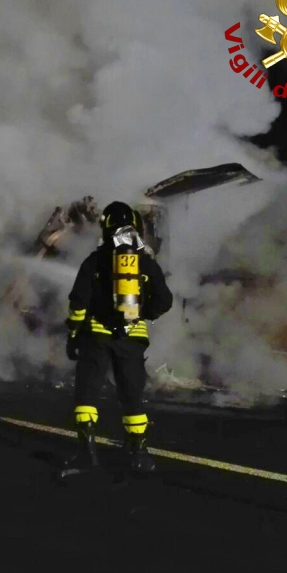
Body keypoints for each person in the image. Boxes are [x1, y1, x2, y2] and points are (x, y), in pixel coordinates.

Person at [63, 201, 173, 475]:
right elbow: (164, 301)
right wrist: (141, 313)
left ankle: (87, 456)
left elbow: (78, 303)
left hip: (96, 337)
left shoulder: (95, 261)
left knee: (87, 395)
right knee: (132, 397)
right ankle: (140, 456)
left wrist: (74, 333)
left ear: (106, 227)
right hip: (132, 339)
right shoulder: (146, 263)